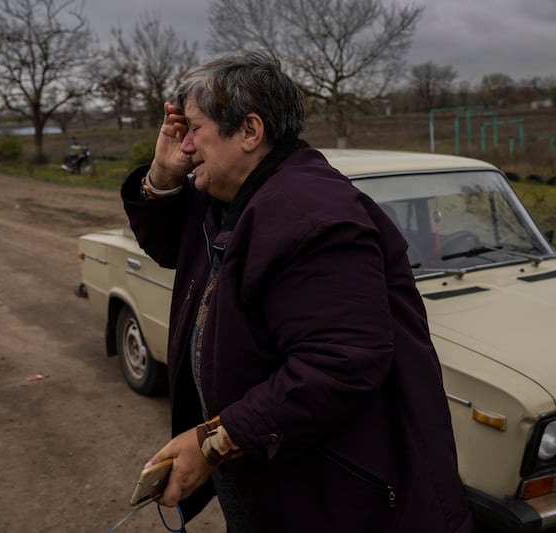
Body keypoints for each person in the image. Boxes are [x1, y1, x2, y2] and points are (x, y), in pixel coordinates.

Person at [121, 52, 473, 533]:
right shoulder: (230, 198)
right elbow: (170, 246)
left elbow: (340, 363)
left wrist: (214, 442)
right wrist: (163, 175)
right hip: (268, 466)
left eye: (194, 129)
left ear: (250, 131)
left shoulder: (313, 218)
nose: (185, 144)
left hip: (337, 492)